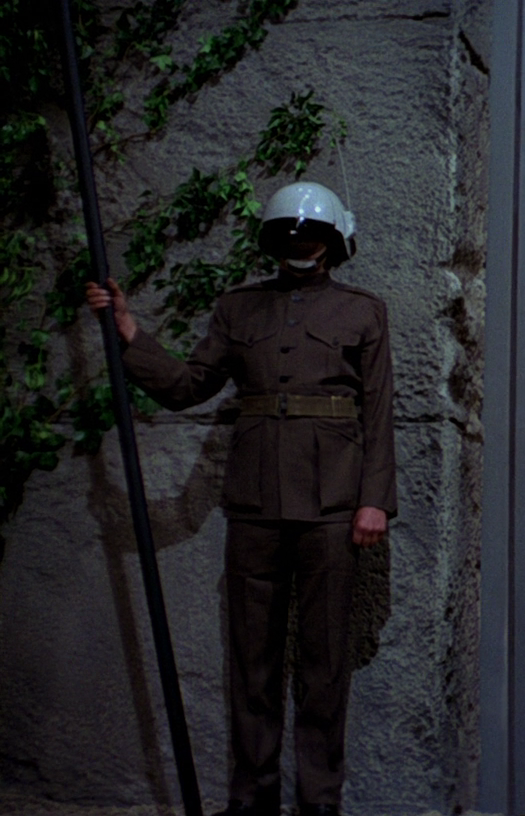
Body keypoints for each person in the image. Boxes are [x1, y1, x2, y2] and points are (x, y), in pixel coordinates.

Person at [86, 181, 395, 816]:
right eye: (288, 235)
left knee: (324, 665)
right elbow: (188, 385)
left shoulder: (363, 312)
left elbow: (380, 412)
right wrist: (129, 331)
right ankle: (252, 800)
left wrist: (375, 501)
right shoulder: (239, 309)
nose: (300, 245)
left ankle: (319, 803)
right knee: (252, 662)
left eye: (312, 235)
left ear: (336, 242)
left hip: (333, 506)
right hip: (254, 504)